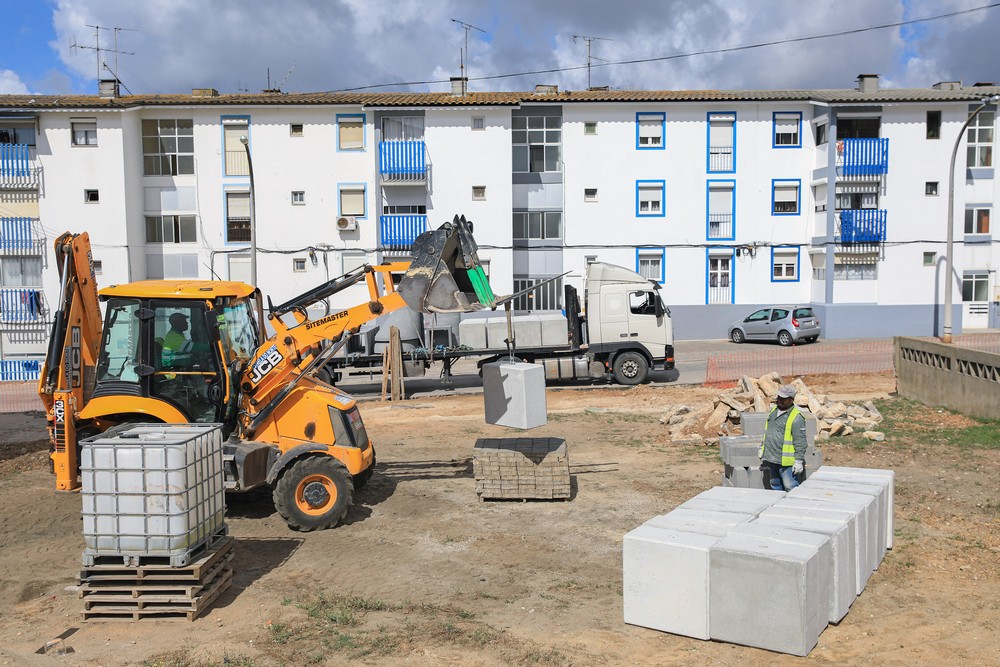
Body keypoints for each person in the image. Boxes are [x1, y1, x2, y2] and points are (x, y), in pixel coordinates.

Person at [758, 384, 807, 491]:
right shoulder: (773, 411)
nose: (780, 400)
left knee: (790, 485)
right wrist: (763, 448)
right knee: (775, 484)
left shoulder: (796, 417)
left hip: (786, 461)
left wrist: (798, 461)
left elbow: (800, 441)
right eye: (779, 397)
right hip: (772, 457)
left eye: (784, 399)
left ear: (791, 400)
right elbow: (769, 432)